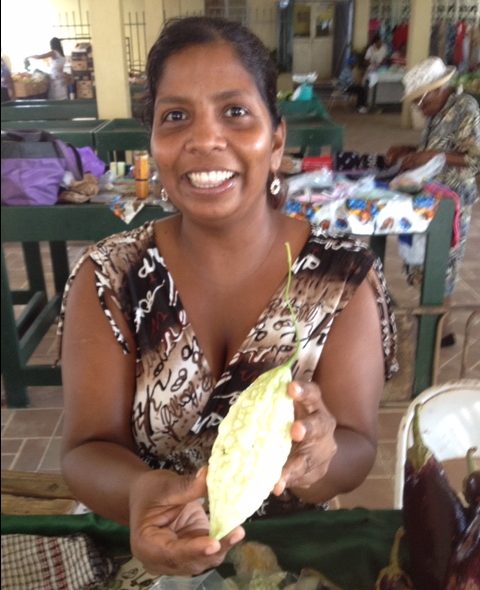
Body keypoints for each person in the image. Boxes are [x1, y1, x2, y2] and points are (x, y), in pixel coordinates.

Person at [59, 16, 397, 577]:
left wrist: (318, 457)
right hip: (144, 537)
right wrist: (144, 494)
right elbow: (84, 448)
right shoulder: (111, 277)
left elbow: (357, 446)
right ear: (154, 143)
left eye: (235, 112)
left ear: (277, 138)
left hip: (294, 552)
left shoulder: (344, 278)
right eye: (175, 116)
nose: (205, 139)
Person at [386, 56, 480, 347]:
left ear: (439, 89)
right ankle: (437, 323)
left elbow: (473, 158)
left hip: (452, 201)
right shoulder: (437, 113)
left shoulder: (465, 108)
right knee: (425, 261)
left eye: (422, 101)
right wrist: (412, 150)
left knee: (443, 262)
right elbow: (436, 150)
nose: (419, 108)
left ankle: (442, 330)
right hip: (429, 196)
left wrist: (430, 157)